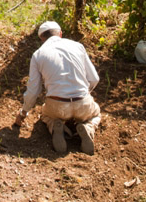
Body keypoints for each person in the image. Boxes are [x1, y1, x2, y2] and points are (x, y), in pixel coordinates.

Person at [13, 21, 101, 155]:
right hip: (83, 102)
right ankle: (87, 127)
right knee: (96, 114)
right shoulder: (78, 46)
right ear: (60, 34)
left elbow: (34, 90)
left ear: (42, 38)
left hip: (57, 106)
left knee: (45, 115)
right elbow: (94, 78)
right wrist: (82, 95)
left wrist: (23, 113)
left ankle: (56, 127)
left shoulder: (38, 54)